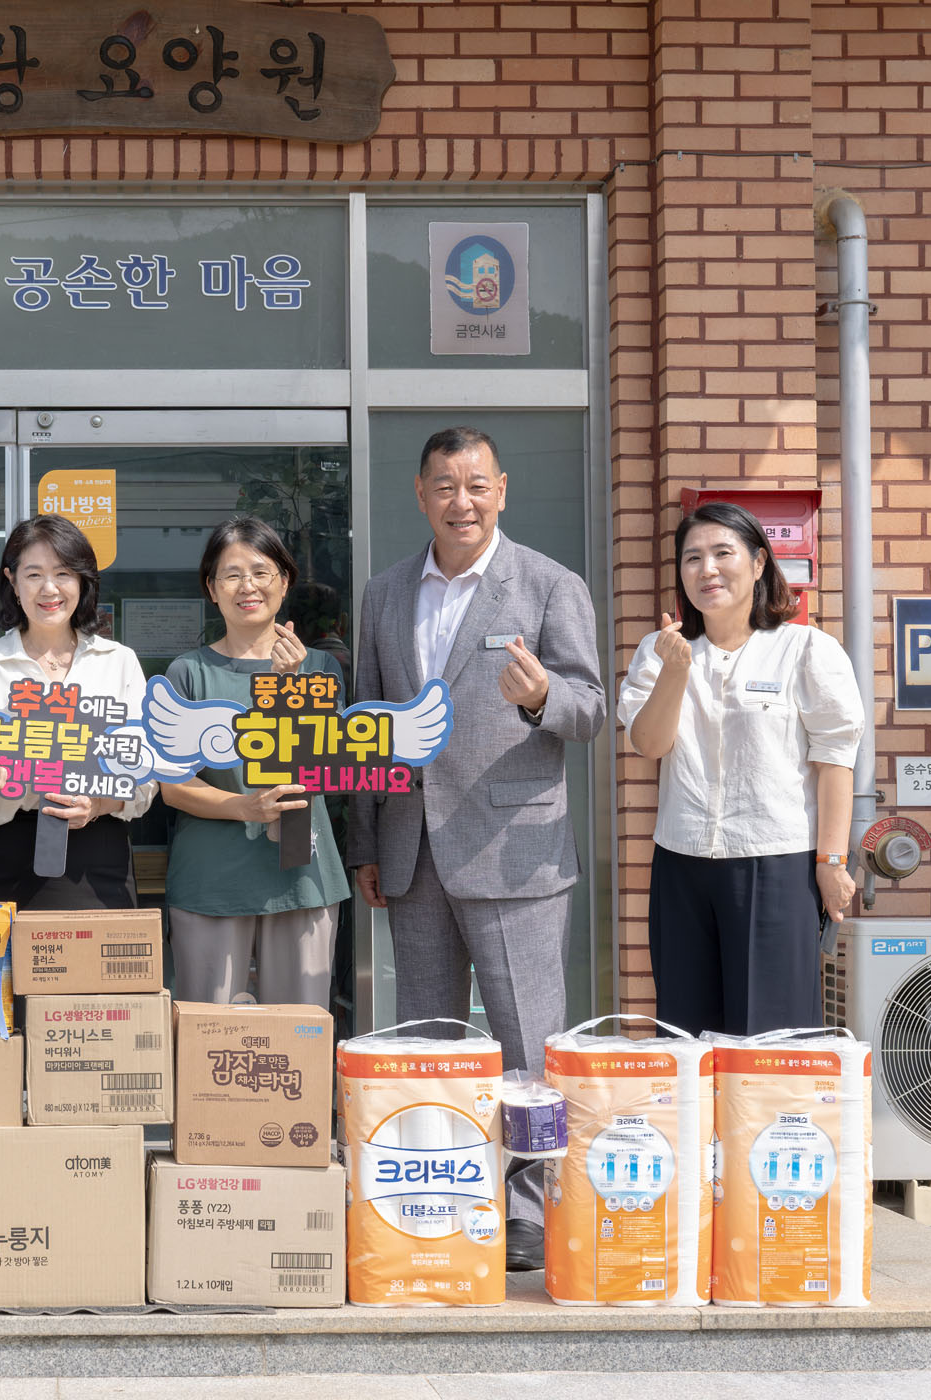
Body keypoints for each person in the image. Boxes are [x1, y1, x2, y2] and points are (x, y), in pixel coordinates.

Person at [346, 426, 605, 1274]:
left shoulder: (548, 584)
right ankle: (438, 1197)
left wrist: (543, 697)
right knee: (428, 1039)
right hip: (410, 846)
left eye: (477, 485)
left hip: (513, 849)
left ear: (502, 489)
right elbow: (367, 723)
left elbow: (592, 707)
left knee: (528, 1042)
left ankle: (531, 1208)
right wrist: (365, 842)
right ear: (420, 494)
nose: (462, 502)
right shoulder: (386, 593)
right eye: (445, 486)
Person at [618, 500, 863, 1037]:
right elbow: (650, 744)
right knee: (686, 1032)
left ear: (758, 563)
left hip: (776, 864)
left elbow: (835, 761)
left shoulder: (805, 650)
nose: (706, 569)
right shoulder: (660, 651)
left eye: (722, 553)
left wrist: (832, 862)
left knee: (771, 1036)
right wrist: (675, 671)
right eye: (692, 558)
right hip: (681, 863)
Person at [160, 517, 349, 1005]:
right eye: (232, 575)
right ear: (212, 588)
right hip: (211, 881)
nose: (248, 586)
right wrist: (245, 807)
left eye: (261, 572)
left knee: (300, 1032)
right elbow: (173, 786)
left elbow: (328, 770)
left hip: (302, 878)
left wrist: (290, 687)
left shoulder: (321, 668)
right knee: (207, 1033)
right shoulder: (188, 672)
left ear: (284, 582)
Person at [0, 515, 154, 908]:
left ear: (82, 580)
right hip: (10, 854)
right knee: (5, 952)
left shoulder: (118, 662)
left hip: (98, 855)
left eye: (63, 573)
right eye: (33, 575)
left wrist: (97, 805)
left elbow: (144, 774)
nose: (49, 589)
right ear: (12, 580)